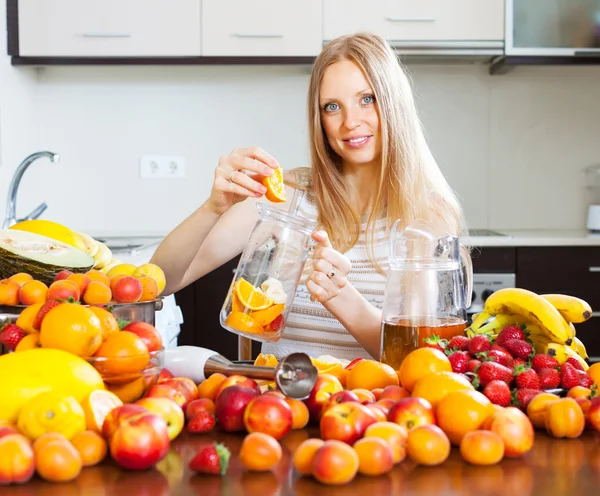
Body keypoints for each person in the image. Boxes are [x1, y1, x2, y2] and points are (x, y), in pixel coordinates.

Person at [150, 32, 466, 361]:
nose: (350, 122)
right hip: (282, 407)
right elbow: (161, 280)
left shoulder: (428, 218)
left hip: (376, 409)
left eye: (367, 99)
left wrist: (341, 296)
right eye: (332, 107)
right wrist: (212, 208)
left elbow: (421, 360)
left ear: (393, 103)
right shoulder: (287, 198)